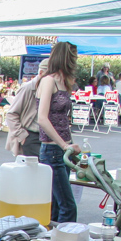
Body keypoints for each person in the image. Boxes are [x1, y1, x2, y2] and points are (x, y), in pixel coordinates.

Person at [36, 41, 79, 223]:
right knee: (67, 206)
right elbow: (42, 118)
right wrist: (63, 144)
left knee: (56, 205)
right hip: (53, 151)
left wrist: (68, 146)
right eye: (74, 58)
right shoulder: (49, 81)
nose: (76, 62)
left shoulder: (62, 82)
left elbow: (61, 120)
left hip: (62, 150)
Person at [5, 58, 48, 157]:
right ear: (41, 73)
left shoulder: (48, 89)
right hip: (31, 135)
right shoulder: (27, 88)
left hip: (45, 136)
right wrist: (22, 135)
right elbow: (11, 114)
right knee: (35, 168)